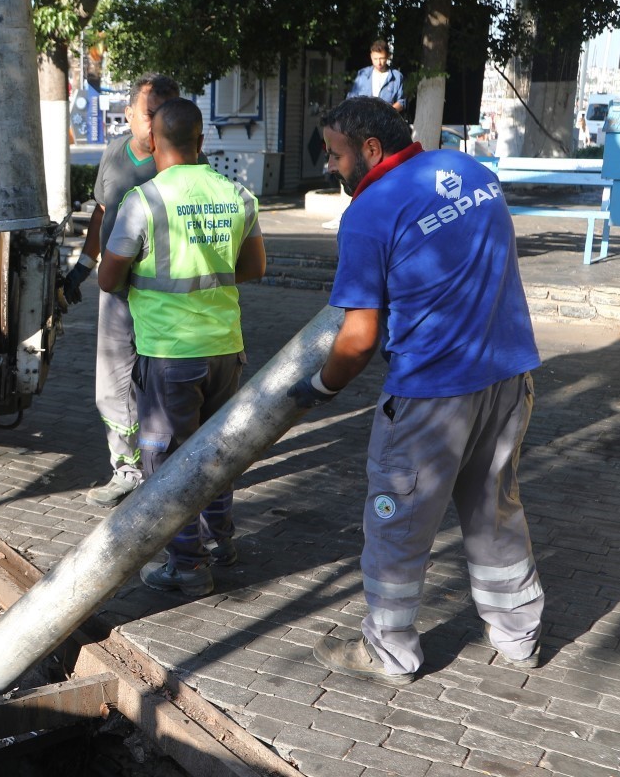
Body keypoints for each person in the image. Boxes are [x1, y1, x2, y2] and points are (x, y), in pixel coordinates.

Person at [290, 95, 544, 684]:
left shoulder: (370, 212)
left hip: (431, 396)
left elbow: (357, 338)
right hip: (507, 379)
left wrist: (320, 390)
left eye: (335, 154)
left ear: (371, 149)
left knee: (397, 521)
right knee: (494, 508)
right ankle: (518, 637)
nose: (330, 166)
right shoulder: (473, 172)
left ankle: (390, 650)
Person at [97, 98, 267, 598]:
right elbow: (255, 268)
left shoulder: (144, 201)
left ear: (153, 142)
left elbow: (109, 279)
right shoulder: (237, 194)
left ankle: (187, 564)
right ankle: (222, 542)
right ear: (202, 142)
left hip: (169, 354)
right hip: (225, 350)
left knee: (169, 462)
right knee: (218, 452)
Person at [60, 74, 182, 507]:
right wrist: (83, 266)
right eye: (150, 114)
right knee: (111, 386)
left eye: (166, 114)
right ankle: (125, 469)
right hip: (115, 290)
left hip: (159, 292)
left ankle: (162, 471)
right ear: (129, 113)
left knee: (156, 385)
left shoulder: (179, 160)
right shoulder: (115, 152)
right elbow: (103, 211)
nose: (157, 124)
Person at [348, 40, 406, 114]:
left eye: (382, 58)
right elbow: (351, 99)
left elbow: (401, 102)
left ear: (388, 56)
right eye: (375, 59)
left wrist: (387, 112)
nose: (379, 63)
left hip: (386, 121)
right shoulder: (363, 74)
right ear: (371, 56)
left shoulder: (397, 77)